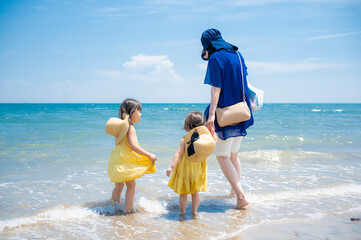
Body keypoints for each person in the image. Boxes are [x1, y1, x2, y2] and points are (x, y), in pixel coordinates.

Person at [200, 28, 254, 209]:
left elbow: (216, 89)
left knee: (222, 156)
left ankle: (240, 196)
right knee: (233, 154)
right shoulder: (238, 55)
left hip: (224, 112)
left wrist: (211, 115)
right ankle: (234, 192)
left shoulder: (216, 59)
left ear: (208, 44)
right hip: (242, 111)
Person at [106, 98, 157, 213]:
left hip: (115, 158)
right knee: (131, 184)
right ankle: (128, 210)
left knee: (119, 185)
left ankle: (111, 207)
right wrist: (149, 154)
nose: (141, 114)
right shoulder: (130, 128)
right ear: (132, 112)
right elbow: (134, 146)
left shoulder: (121, 128)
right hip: (123, 160)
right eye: (139, 111)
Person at [166, 111, 216, 215]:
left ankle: (182, 212)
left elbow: (178, 154)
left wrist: (171, 167)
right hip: (197, 170)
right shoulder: (204, 141)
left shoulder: (185, 139)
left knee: (183, 192)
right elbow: (214, 143)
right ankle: (195, 212)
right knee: (195, 192)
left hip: (185, 170)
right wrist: (212, 132)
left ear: (188, 125)